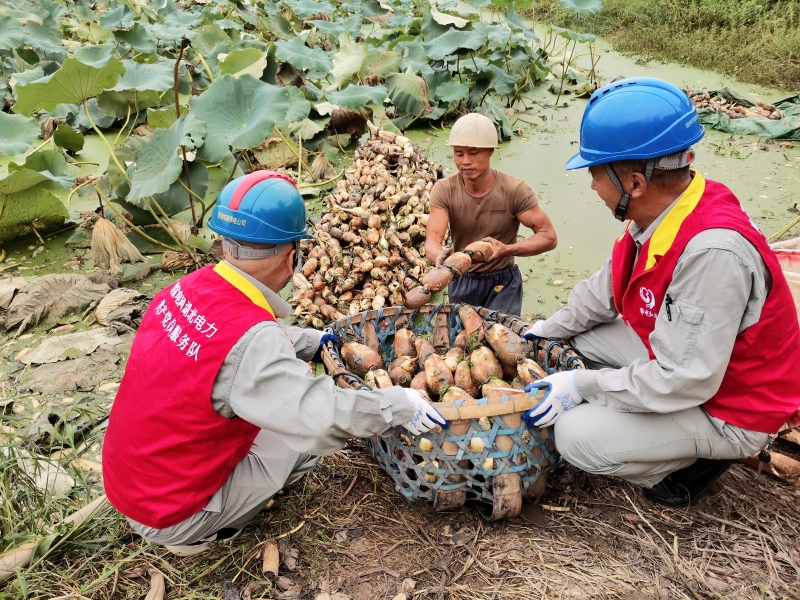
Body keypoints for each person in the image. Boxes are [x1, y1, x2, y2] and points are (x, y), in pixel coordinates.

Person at [102, 171, 447, 556]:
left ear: (226, 244)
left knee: (280, 420)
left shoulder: (183, 289)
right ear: (291, 256)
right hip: (170, 512)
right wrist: (399, 405)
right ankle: (204, 531)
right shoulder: (255, 340)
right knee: (307, 440)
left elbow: (229, 340)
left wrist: (312, 342)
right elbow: (319, 415)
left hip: (131, 481)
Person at [520, 78, 800, 507]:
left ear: (634, 183)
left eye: (596, 173)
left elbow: (683, 379)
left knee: (575, 436)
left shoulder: (714, 252)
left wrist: (582, 385)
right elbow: (603, 292)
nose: (593, 186)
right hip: (695, 361)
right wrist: (541, 332)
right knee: (574, 338)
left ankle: (689, 467)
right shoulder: (667, 208)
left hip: (730, 403)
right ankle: (660, 431)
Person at [425, 113, 557, 316]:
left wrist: (507, 249)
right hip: (462, 278)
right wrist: (439, 256)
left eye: (474, 153)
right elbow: (433, 241)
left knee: (502, 339)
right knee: (462, 343)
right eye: (459, 154)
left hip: (503, 282)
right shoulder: (444, 190)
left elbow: (548, 236)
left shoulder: (515, 189)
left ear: (490, 151)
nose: (465, 161)